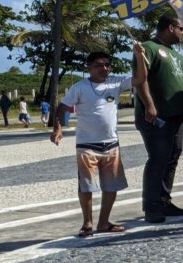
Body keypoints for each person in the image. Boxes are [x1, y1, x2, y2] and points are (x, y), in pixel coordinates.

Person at [50, 51, 132, 237]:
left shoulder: (116, 82)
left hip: (111, 144)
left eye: (106, 65)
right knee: (86, 186)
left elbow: (141, 78)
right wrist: (58, 128)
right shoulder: (80, 87)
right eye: (98, 65)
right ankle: (87, 223)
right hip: (87, 145)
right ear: (89, 68)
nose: (104, 68)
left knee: (111, 186)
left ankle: (104, 222)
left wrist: (140, 55)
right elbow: (62, 107)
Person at [133, 14, 183, 223]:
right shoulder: (147, 48)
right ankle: (151, 206)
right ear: (171, 28)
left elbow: (181, 83)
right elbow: (141, 81)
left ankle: (164, 200)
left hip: (176, 115)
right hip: (156, 117)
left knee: (172, 157)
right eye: (181, 29)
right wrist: (149, 105)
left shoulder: (177, 55)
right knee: (158, 158)